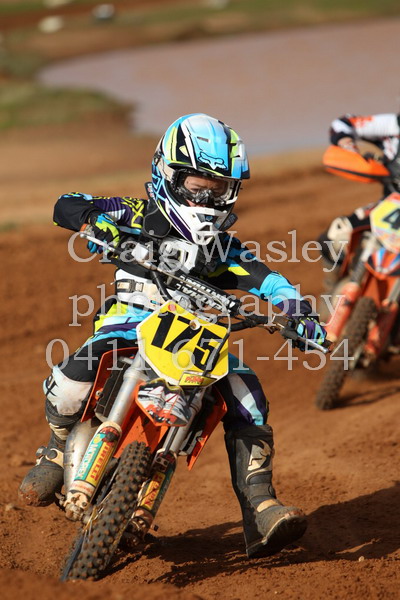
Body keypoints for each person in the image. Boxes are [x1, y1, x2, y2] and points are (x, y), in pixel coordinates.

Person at [19, 113, 326, 559]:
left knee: (249, 397)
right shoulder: (137, 212)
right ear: (169, 173)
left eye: (218, 188)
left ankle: (260, 506)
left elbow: (270, 281)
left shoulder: (223, 249)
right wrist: (95, 222)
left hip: (195, 341)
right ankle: (55, 448)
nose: (207, 196)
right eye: (198, 184)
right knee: (71, 379)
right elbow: (67, 203)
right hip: (128, 322)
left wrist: (300, 314)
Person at [319, 112, 400, 286]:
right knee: (337, 234)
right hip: (389, 207)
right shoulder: (393, 125)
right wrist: (347, 144)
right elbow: (343, 124)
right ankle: (331, 287)